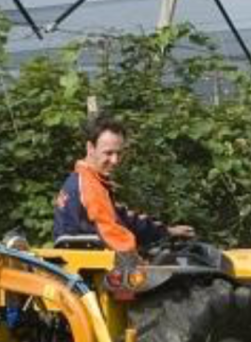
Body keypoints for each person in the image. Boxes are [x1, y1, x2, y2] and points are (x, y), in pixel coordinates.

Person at [53, 115, 195, 268]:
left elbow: (124, 218)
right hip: (96, 271)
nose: (115, 160)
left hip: (91, 263)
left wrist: (167, 231)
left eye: (118, 153)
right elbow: (111, 234)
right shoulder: (90, 187)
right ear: (90, 148)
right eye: (108, 153)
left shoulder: (88, 180)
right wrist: (140, 264)